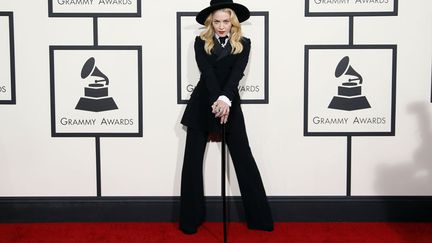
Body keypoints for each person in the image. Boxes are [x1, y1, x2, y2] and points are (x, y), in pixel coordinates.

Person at [179, 0, 274, 234]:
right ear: (211, 22)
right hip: (203, 104)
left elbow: (237, 73)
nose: (221, 26)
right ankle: (190, 220)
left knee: (244, 160)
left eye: (226, 21)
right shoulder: (200, 42)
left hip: (230, 103)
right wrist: (217, 99)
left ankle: (260, 220)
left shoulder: (244, 43)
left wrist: (226, 100)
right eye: (217, 21)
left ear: (233, 22)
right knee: (191, 163)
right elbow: (207, 72)